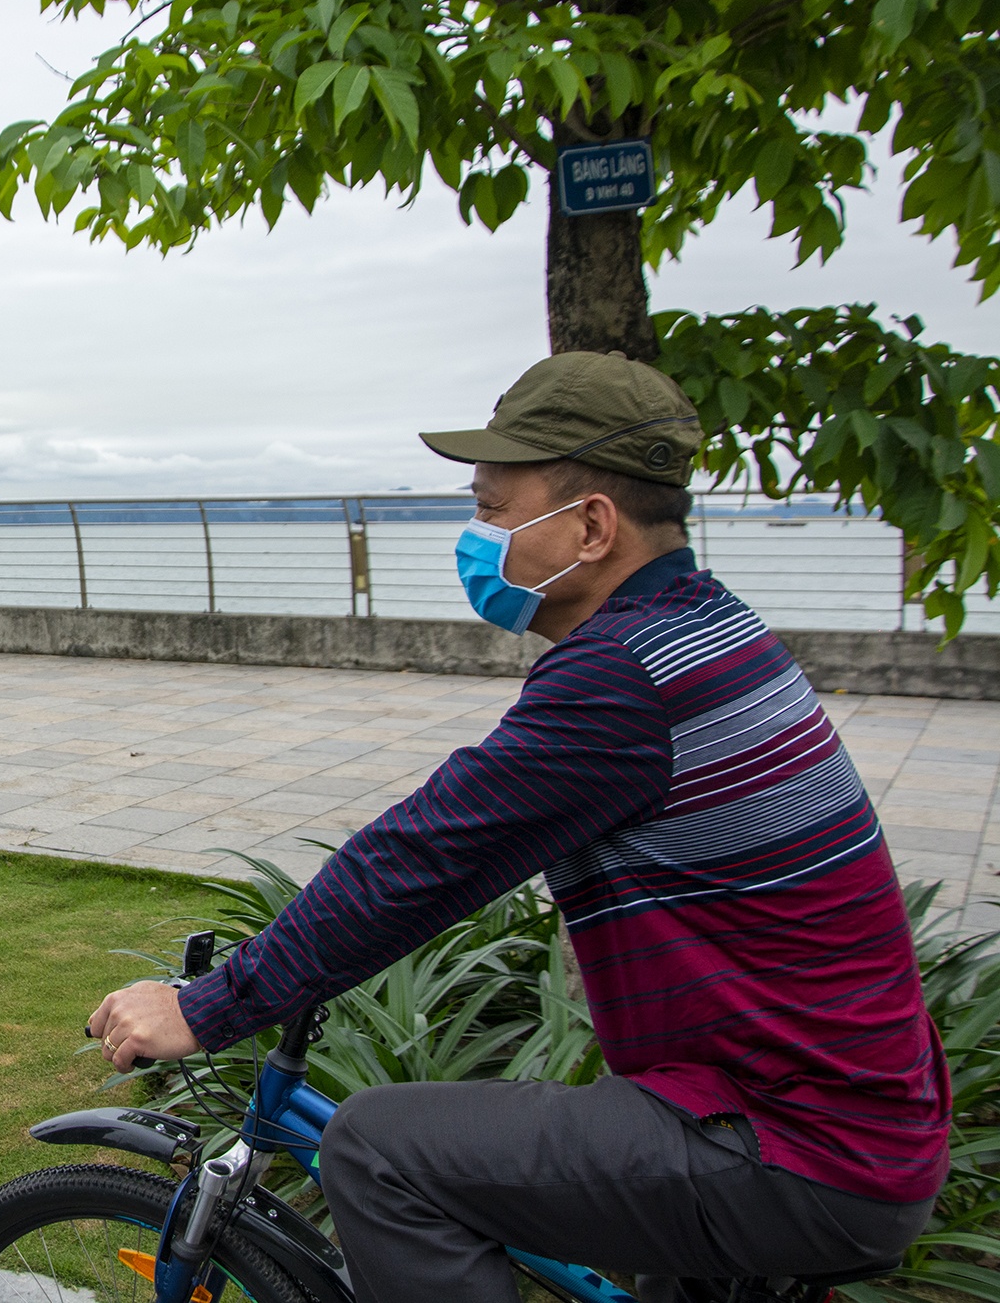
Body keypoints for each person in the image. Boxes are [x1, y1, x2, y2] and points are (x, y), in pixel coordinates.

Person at [88, 352, 947, 1303]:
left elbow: (423, 856)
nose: (475, 534)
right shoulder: (707, 629)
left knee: (378, 1151)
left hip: (790, 1141)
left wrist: (207, 1005)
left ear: (589, 526)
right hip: (830, 1116)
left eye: (494, 508)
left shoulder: (622, 676)